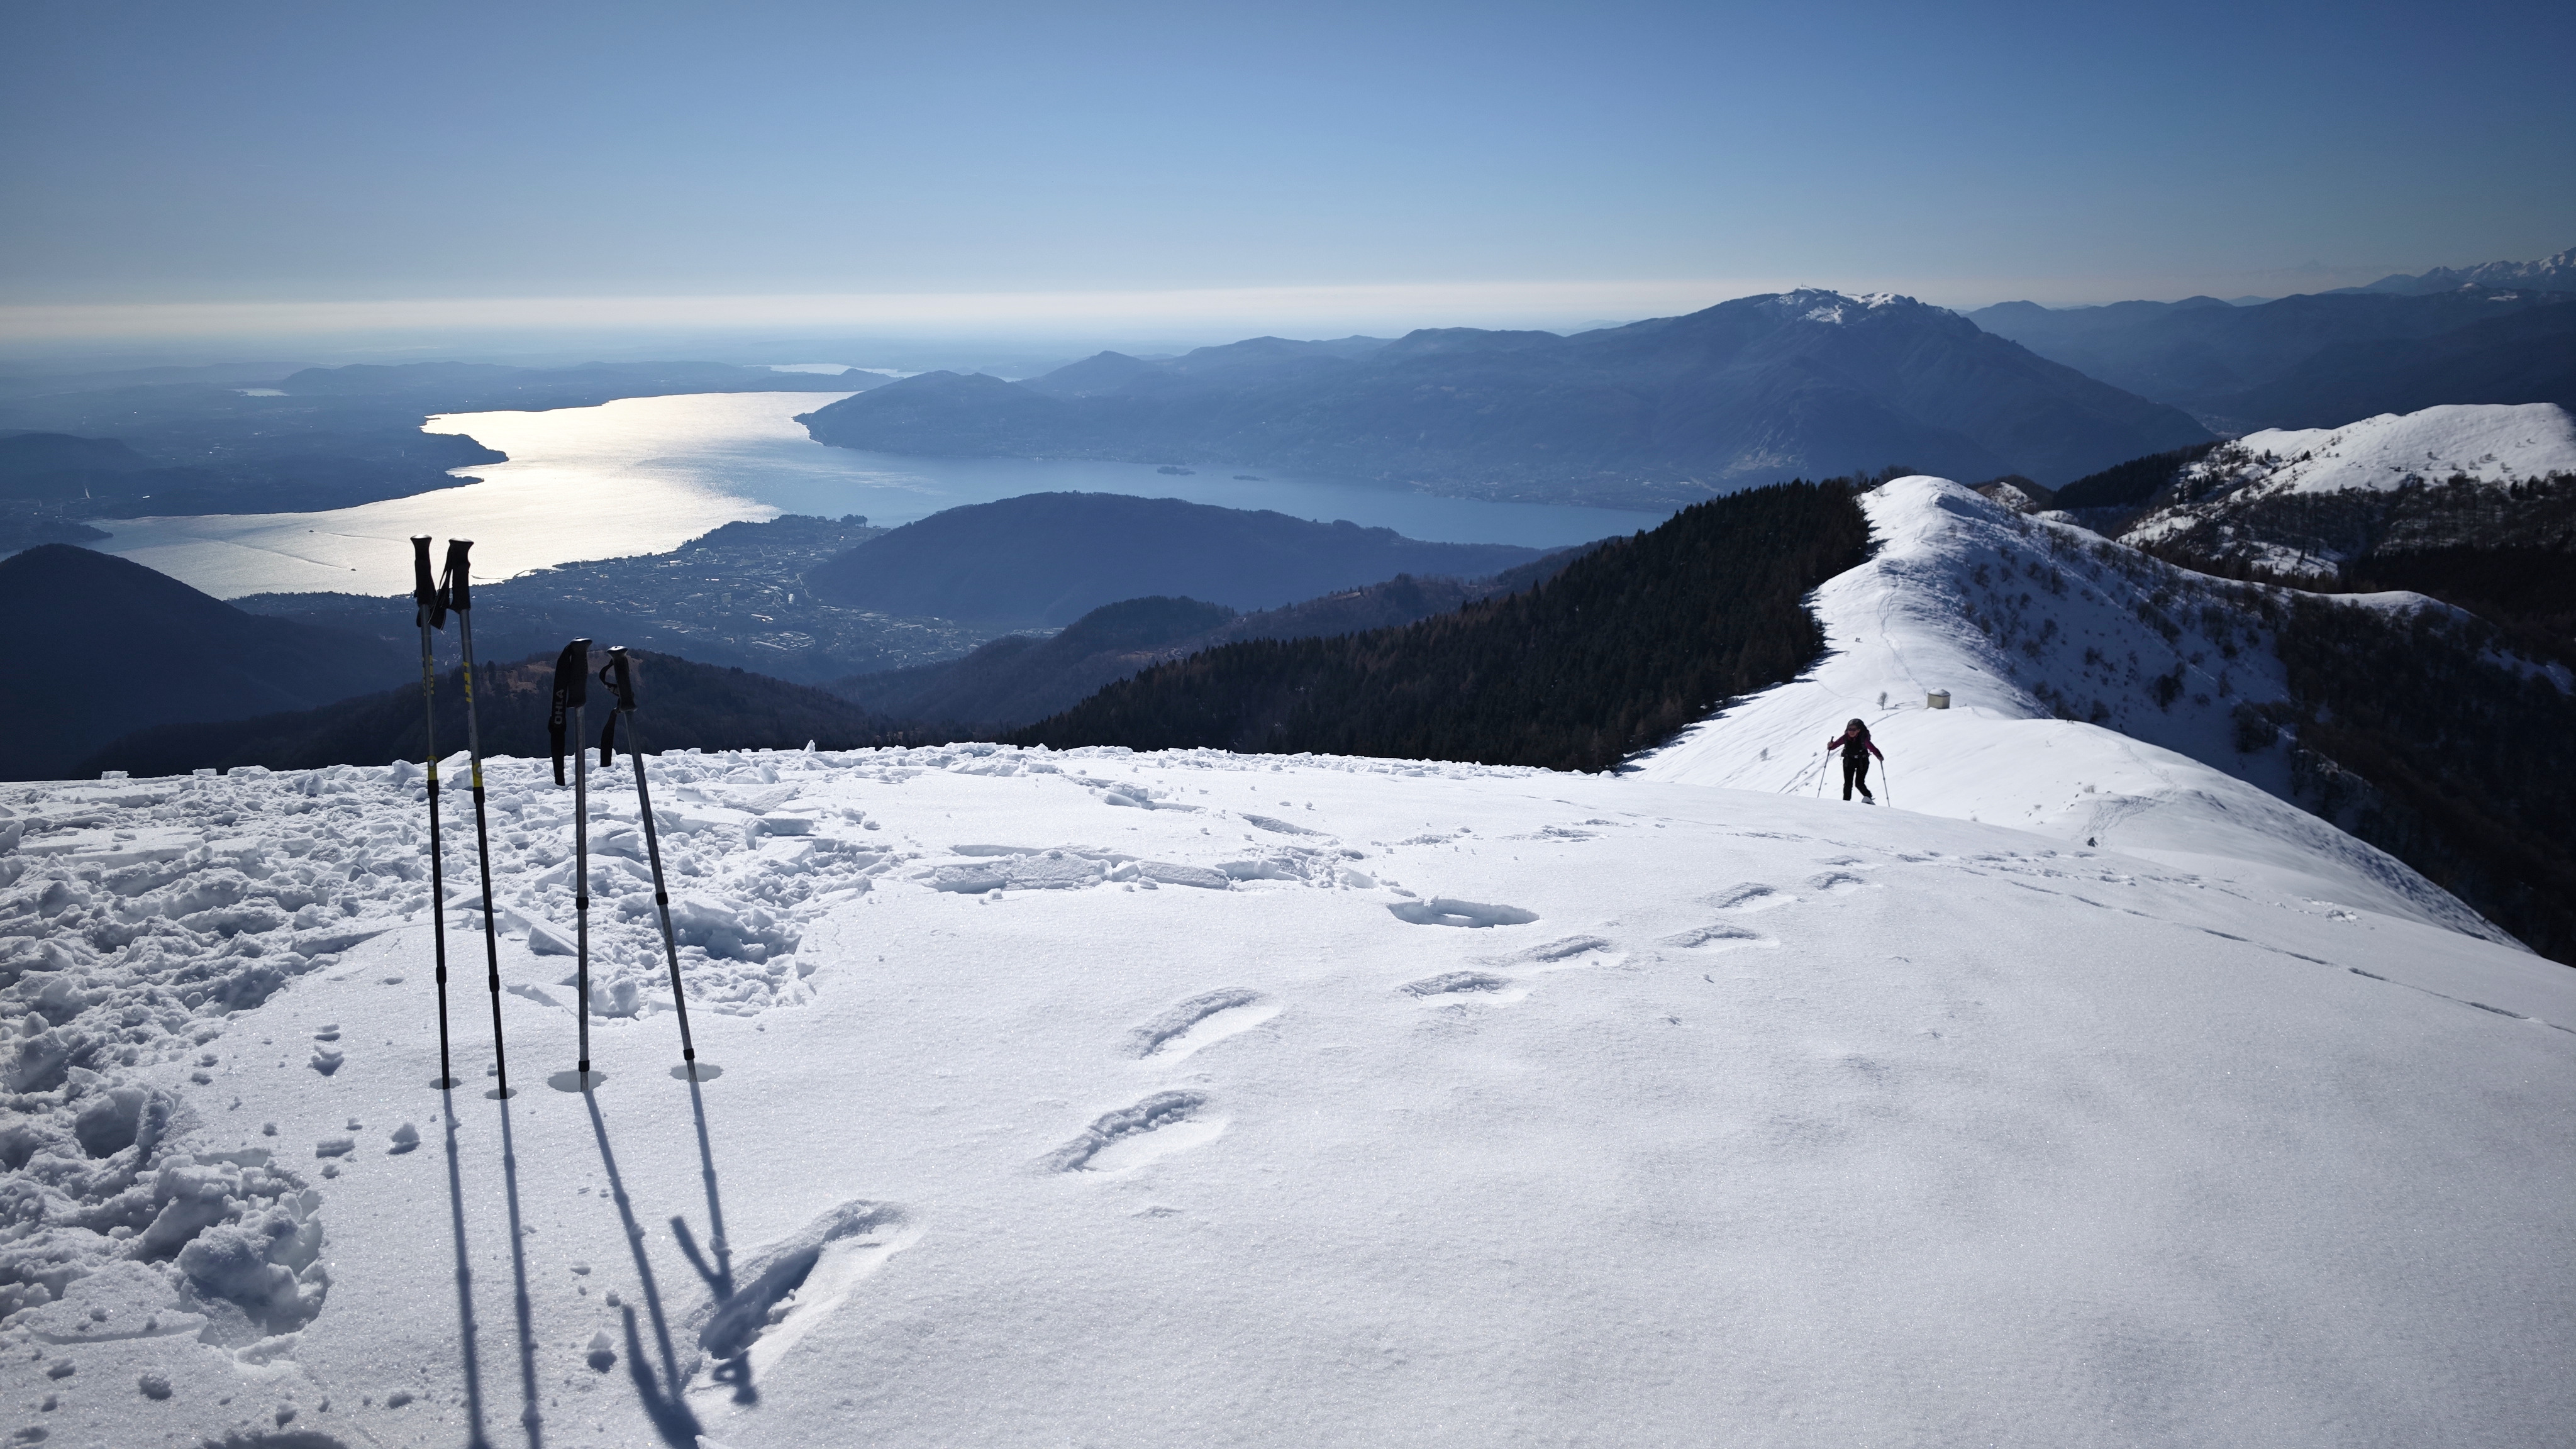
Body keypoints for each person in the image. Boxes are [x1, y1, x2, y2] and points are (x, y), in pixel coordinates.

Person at [1825, 718, 1883, 802]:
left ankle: (1868, 797)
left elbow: (1872, 748)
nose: (1851, 731)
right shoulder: (1846, 737)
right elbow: (1833, 747)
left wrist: (1879, 756)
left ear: (1859, 730)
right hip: (1849, 761)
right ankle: (1846, 802)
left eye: (1854, 729)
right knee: (1848, 784)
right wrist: (1830, 745)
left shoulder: (1863, 738)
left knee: (1859, 783)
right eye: (1850, 729)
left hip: (1862, 762)